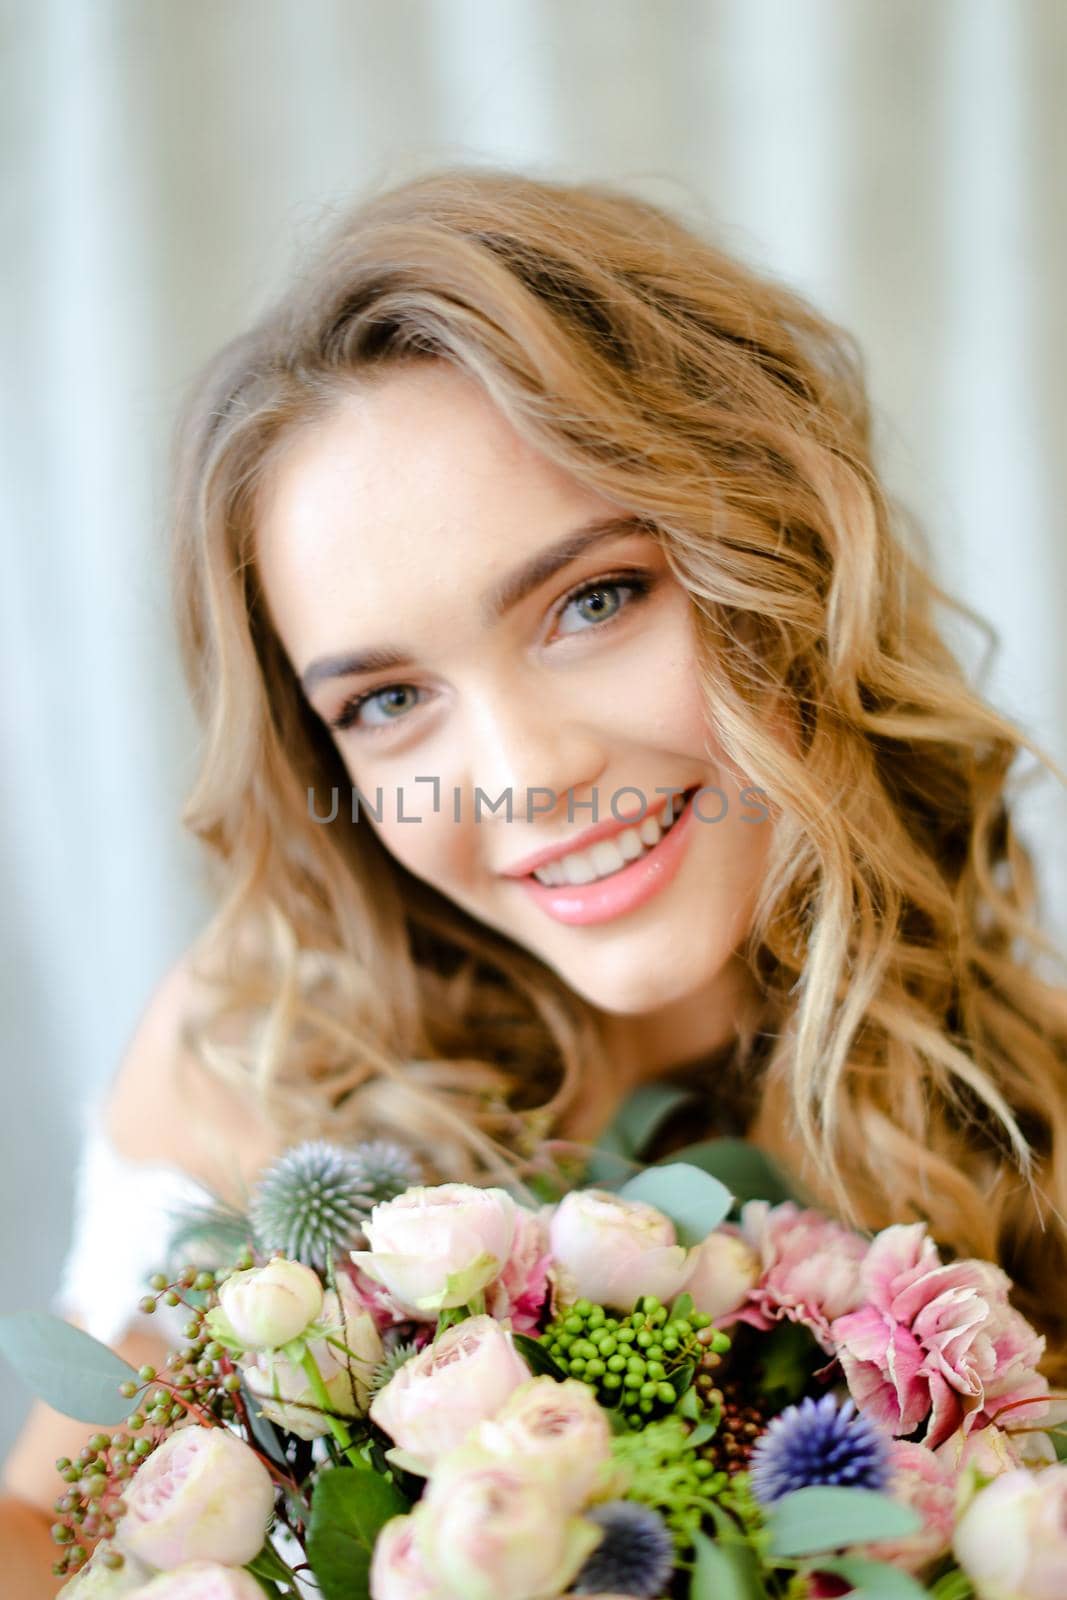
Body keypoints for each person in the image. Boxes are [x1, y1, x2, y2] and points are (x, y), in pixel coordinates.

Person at [4, 166, 1067, 1591]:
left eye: (593, 600)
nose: (516, 778)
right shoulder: (259, 1056)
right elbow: (39, 1531)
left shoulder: (1030, 1104)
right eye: (387, 701)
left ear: (781, 553)